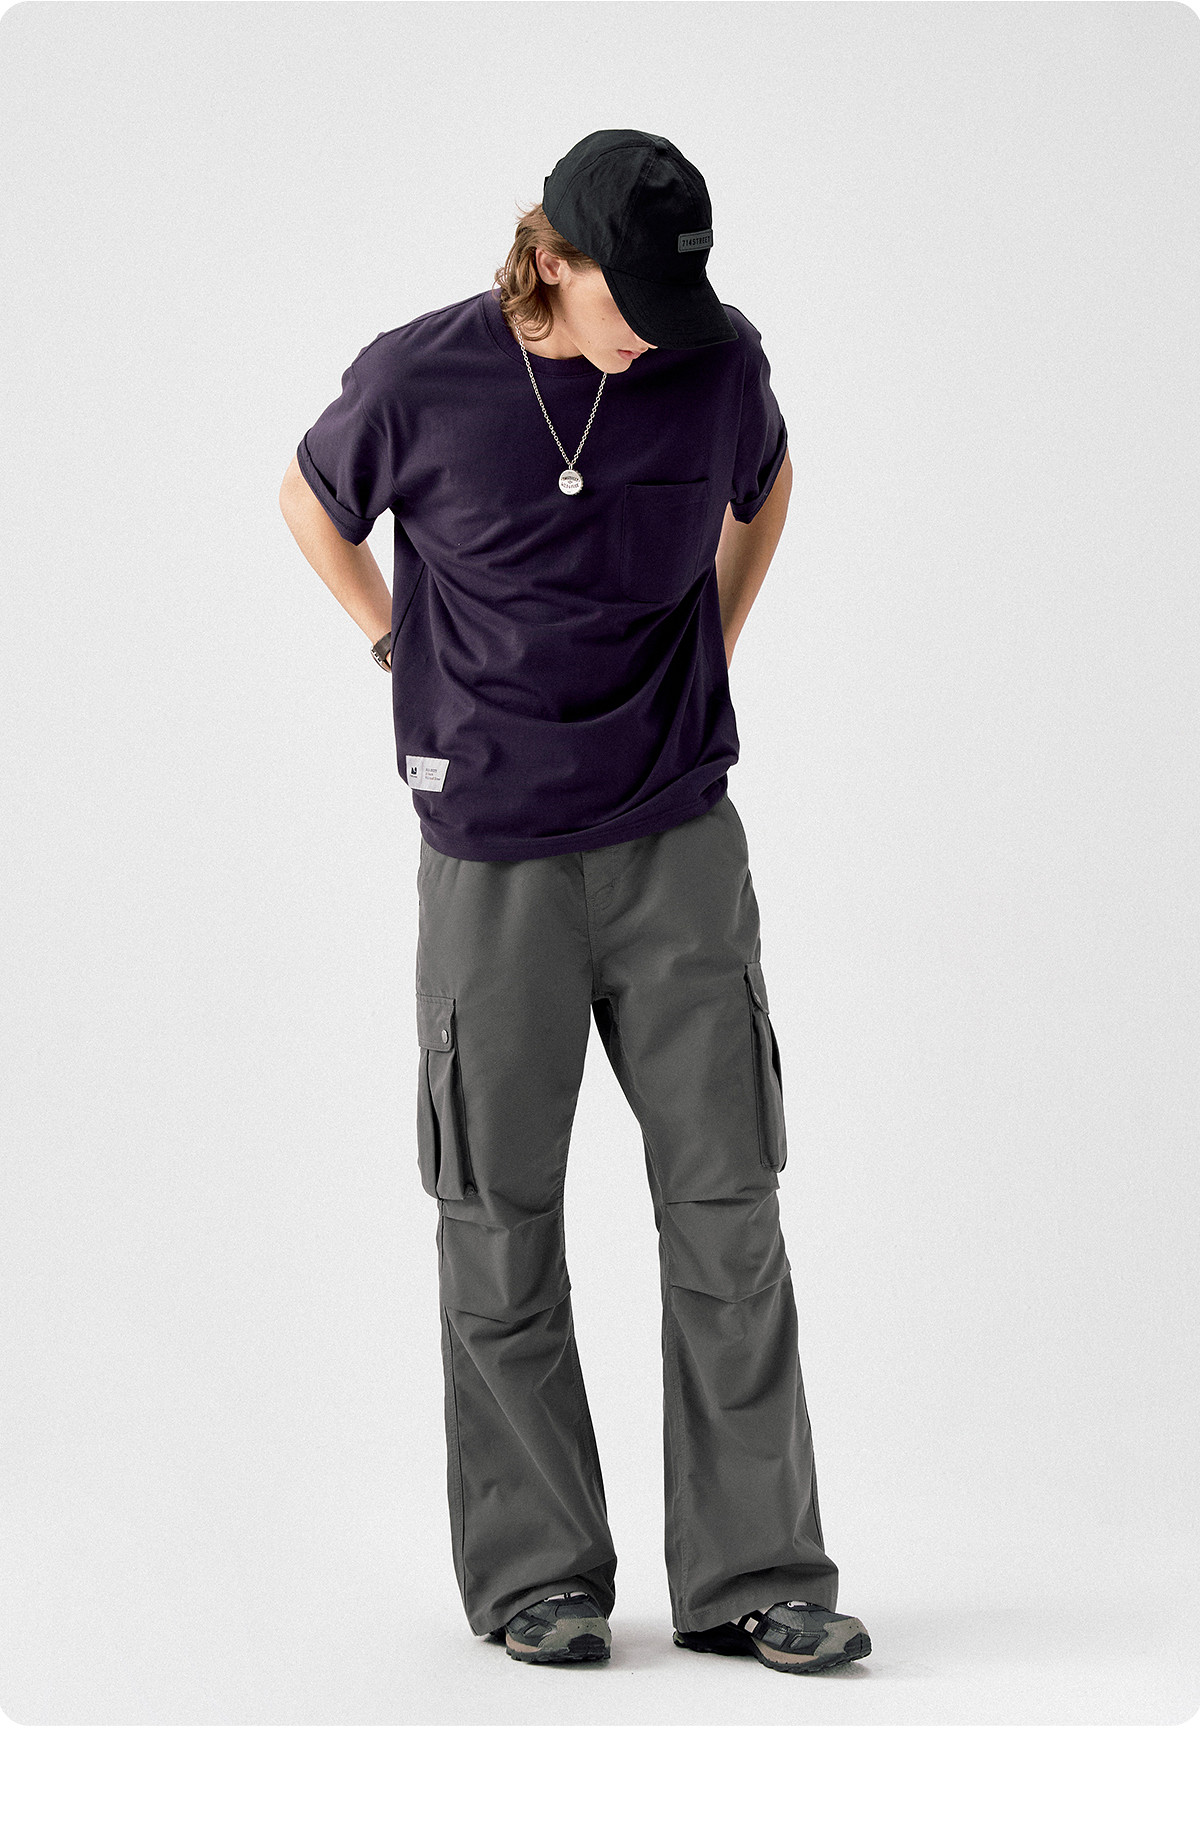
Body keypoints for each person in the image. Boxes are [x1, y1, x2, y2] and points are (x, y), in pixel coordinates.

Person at [279, 128, 871, 1677]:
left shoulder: (715, 364)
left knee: (729, 1207)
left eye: (682, 303)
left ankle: (755, 1576)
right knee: (499, 1219)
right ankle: (539, 1576)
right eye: (632, 302)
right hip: (493, 860)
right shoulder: (421, 378)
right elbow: (308, 498)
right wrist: (392, 644)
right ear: (549, 258)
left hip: (679, 844)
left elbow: (768, 487)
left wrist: (714, 642)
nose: (656, 336)